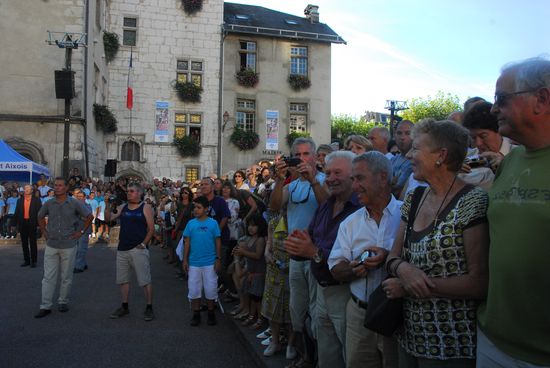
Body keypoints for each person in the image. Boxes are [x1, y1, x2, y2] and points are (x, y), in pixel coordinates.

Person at [383, 119, 489, 367]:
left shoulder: (472, 202)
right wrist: (403, 269)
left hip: (451, 344)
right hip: (408, 336)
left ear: (441, 155)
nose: (409, 155)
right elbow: (393, 257)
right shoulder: (415, 196)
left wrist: (408, 286)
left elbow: (479, 283)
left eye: (416, 148)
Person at [476, 57, 550, 367]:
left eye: (501, 99)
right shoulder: (510, 162)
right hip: (493, 340)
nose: (493, 109)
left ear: (541, 99)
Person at [284, 151, 361, 368]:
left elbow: (356, 259)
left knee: (349, 354)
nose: (330, 178)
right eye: (327, 173)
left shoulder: (360, 208)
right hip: (322, 290)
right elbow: (313, 234)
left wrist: (313, 251)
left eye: (337, 172)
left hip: (345, 292)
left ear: (354, 174)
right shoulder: (328, 204)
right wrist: (301, 240)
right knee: (327, 353)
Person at [328, 152, 401, 368]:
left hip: (397, 315)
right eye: (352, 180)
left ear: (382, 177)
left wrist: (388, 258)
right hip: (359, 316)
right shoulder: (350, 223)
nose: (355, 186)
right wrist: (352, 270)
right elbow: (335, 267)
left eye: (359, 178)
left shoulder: (407, 215)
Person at [269, 137, 329, 366]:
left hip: (315, 255)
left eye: (306, 154)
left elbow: (327, 207)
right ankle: (304, 354)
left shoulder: (324, 180)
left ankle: (316, 358)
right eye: (298, 155)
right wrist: (278, 179)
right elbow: (275, 206)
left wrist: (312, 180)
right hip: (295, 257)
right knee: (297, 310)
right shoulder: (291, 185)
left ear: (314, 157)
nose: (302, 159)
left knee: (316, 311)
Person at [34, 177, 93, 318]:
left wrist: (80, 232)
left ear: (67, 188)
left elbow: (89, 216)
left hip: (68, 244)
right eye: (55, 185)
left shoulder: (74, 203)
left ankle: (63, 301)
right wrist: (44, 232)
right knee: (48, 277)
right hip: (52, 244)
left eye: (60, 185)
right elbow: (40, 216)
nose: (57, 187)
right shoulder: (49, 203)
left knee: (66, 276)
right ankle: (45, 305)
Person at [106, 182, 155, 322]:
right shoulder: (123, 207)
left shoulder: (145, 207)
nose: (128, 193)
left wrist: (143, 244)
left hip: (138, 249)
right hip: (122, 248)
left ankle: (149, 307)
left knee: (145, 280)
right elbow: (109, 218)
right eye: (127, 191)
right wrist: (108, 204)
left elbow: (151, 229)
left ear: (139, 193)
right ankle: (125, 306)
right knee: (123, 280)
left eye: (132, 191)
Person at [182, 195, 222, 326]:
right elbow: (187, 243)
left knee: (211, 289)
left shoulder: (213, 223)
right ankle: (196, 313)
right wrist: (185, 260)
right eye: (194, 207)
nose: (196, 210)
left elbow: (218, 242)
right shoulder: (190, 224)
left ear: (206, 209)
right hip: (194, 263)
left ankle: (211, 313)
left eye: (199, 208)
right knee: (194, 290)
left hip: (210, 263)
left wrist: (218, 259)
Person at [14, 184, 42, 268]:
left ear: (31, 190)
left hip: (32, 223)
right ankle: (26, 260)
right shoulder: (20, 200)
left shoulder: (36, 200)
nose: (26, 190)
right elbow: (17, 212)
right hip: (23, 223)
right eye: (25, 188)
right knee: (24, 243)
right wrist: (14, 224)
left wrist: (38, 225)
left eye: (28, 189)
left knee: (33, 243)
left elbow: (39, 213)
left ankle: (34, 261)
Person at [390, 120, 414, 198]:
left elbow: (398, 187)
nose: (402, 137)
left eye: (407, 133)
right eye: (399, 133)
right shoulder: (392, 160)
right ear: (394, 135)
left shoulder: (417, 161)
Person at [73, 190, 92, 273]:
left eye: (81, 197)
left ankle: (79, 266)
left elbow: (88, 218)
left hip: (84, 230)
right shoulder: (74, 206)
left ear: (84, 197)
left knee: (81, 249)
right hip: (75, 230)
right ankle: (83, 264)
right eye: (78, 197)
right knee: (77, 249)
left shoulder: (88, 206)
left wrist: (79, 216)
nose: (79, 198)